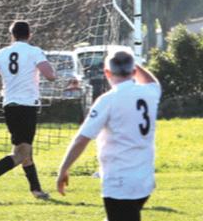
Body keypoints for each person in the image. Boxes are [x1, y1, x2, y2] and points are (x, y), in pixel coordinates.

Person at [56, 48, 161, 221]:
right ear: (134, 71)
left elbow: (82, 139)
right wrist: (132, 61)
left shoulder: (108, 100)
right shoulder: (150, 93)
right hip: (144, 180)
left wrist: (63, 169)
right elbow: (151, 81)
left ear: (106, 72)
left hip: (120, 180)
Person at [0, 20, 57, 201]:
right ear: (29, 34)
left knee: (24, 150)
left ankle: (36, 190)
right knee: (22, 152)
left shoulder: (3, 53)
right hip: (27, 106)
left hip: (9, 106)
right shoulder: (34, 52)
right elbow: (51, 76)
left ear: (12, 35)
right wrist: (49, 69)